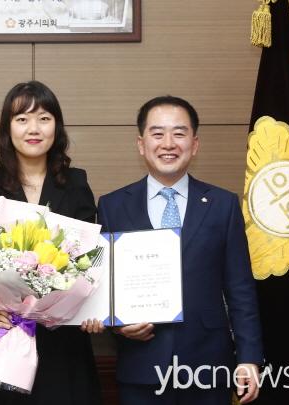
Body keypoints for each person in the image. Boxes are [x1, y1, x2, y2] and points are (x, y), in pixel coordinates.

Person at [97, 96, 263, 405]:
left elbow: (240, 288)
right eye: (157, 133)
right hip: (141, 366)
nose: (168, 143)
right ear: (141, 144)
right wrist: (117, 326)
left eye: (179, 133)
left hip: (208, 366)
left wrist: (249, 357)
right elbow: (102, 286)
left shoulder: (223, 205)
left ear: (194, 144)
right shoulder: (112, 205)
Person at [0, 80, 103, 405]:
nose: (33, 128)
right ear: (7, 128)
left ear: (57, 127)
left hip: (62, 336)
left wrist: (92, 310)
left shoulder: (76, 184)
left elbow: (91, 259)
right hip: (3, 330)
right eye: (22, 119)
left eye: (44, 118)